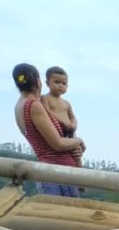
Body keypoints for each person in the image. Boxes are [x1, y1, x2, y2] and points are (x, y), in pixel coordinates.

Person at [11, 63, 85, 197]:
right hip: (57, 173)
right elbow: (58, 144)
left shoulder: (20, 105)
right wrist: (78, 140)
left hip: (53, 171)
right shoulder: (34, 105)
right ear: (39, 82)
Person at [41, 66, 81, 168]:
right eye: (57, 82)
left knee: (77, 155)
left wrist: (73, 125)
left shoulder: (66, 103)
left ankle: (81, 181)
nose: (61, 86)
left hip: (69, 132)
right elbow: (47, 112)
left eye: (64, 83)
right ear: (47, 83)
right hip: (57, 132)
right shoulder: (46, 98)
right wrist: (63, 122)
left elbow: (73, 117)